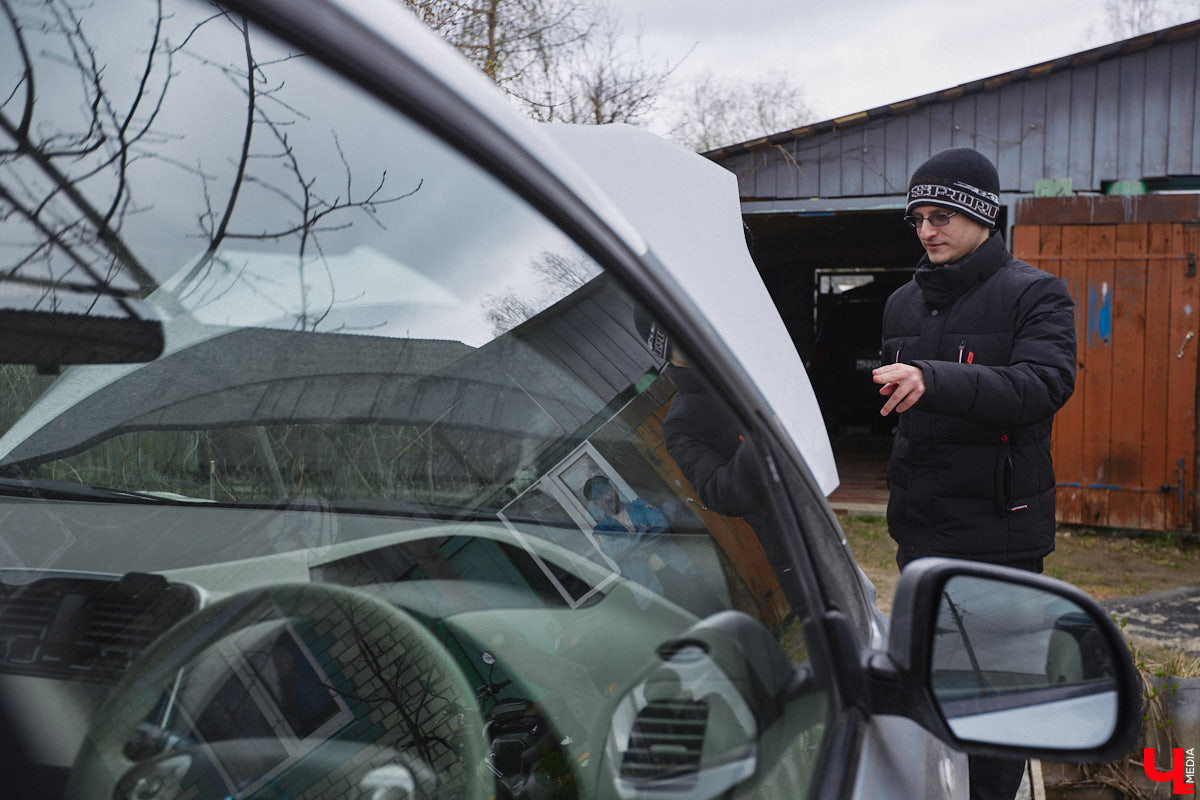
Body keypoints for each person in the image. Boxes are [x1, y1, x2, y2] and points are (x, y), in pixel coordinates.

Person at [873, 147, 1076, 800]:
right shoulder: (902, 303)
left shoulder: (1035, 294)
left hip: (999, 541)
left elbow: (1041, 385)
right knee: (931, 694)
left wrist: (934, 379)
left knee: (996, 710)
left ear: (984, 216)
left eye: (944, 216)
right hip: (919, 536)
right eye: (919, 218)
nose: (928, 230)